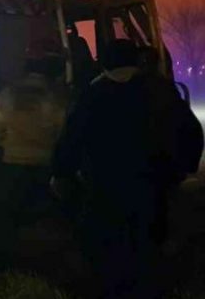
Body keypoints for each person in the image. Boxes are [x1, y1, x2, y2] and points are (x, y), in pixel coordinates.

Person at [51, 39, 203, 298]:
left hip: (104, 190)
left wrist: (62, 173)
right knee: (149, 249)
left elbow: (71, 140)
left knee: (110, 254)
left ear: (104, 62)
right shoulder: (160, 91)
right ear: (136, 61)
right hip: (153, 186)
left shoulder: (92, 95)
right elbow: (191, 133)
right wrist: (182, 169)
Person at [0, 53, 68, 269]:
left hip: (11, 166)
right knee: (45, 225)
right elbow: (65, 132)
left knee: (8, 223)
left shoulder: (9, 93)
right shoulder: (58, 95)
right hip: (44, 168)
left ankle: (4, 269)